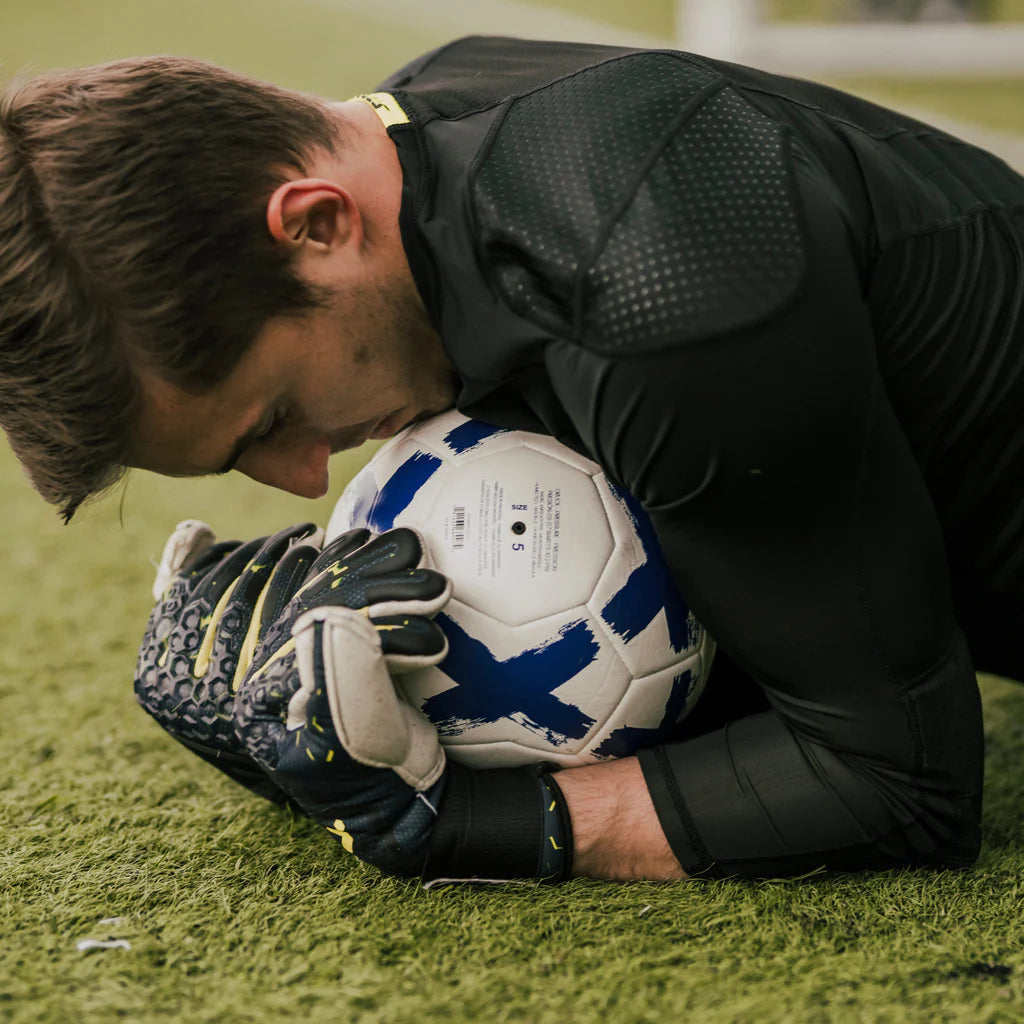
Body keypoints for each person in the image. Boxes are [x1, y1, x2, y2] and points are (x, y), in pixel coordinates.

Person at [2, 36, 1023, 884]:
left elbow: (898, 784)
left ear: (315, 223)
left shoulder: (653, 300)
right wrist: (320, 733)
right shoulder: (433, 124)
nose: (306, 479)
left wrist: (464, 821)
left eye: (273, 417)